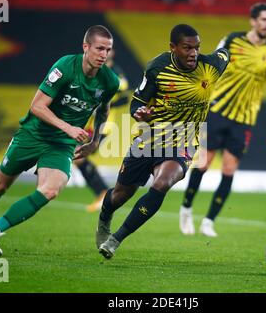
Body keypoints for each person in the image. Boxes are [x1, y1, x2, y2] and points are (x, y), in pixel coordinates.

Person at [0, 25, 120, 255]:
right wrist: (69, 128)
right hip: (33, 135)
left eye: (108, 49)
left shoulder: (109, 81)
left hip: (61, 144)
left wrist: (94, 141)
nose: (104, 54)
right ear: (86, 47)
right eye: (99, 48)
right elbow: (36, 106)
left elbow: (105, 108)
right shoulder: (65, 66)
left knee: (51, 189)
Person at [96, 24, 230, 259]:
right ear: (173, 48)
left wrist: (228, 45)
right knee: (121, 194)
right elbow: (137, 102)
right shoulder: (157, 68)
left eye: (197, 48)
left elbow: (225, 54)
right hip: (150, 138)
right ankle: (105, 216)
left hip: (184, 140)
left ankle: (116, 239)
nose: (193, 53)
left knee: (162, 183)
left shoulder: (211, 66)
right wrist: (141, 114)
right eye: (187, 48)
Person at [179, 3, 266, 237]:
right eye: (265, 19)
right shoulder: (232, 40)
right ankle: (186, 208)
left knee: (229, 169)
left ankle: (209, 220)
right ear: (253, 21)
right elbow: (210, 65)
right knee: (204, 163)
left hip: (244, 119)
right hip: (217, 111)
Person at [73, 49, 130, 213]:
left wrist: (105, 104)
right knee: (78, 156)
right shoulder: (97, 72)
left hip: (104, 126)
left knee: (78, 155)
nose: (104, 55)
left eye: (108, 51)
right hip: (91, 124)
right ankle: (103, 193)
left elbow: (125, 98)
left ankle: (103, 192)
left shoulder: (116, 75)